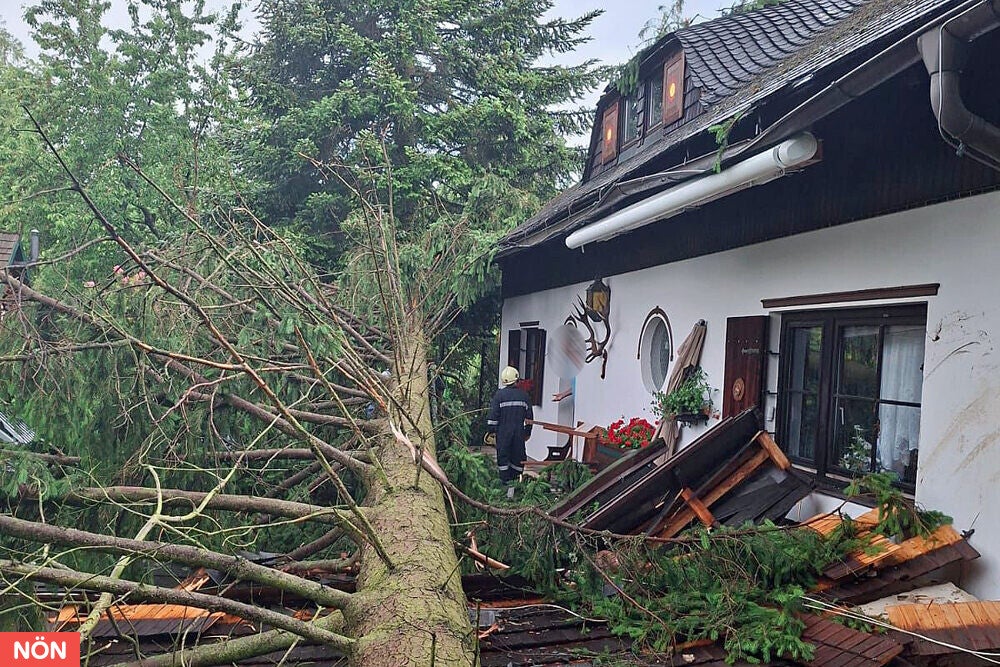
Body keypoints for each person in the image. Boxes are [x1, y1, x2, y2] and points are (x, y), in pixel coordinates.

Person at [486, 366, 533, 483]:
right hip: (519, 434)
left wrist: (492, 432)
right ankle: (515, 484)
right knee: (518, 459)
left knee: (503, 459)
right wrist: (527, 433)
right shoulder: (524, 396)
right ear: (517, 380)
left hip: (503, 434)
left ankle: (504, 484)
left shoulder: (499, 396)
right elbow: (529, 419)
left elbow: (492, 418)